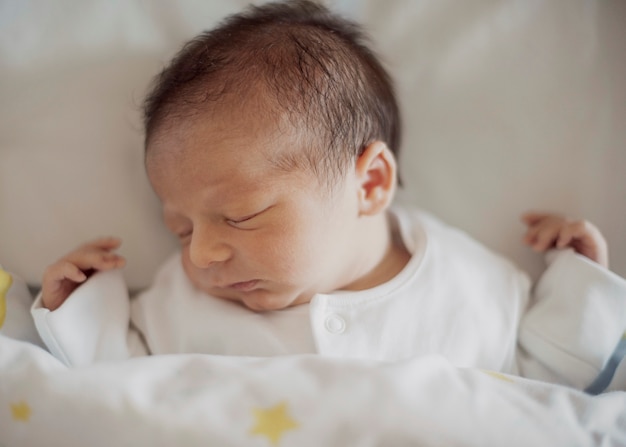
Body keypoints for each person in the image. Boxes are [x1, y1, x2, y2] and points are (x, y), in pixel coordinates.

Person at [32, 0, 626, 389]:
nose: (200, 255)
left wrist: (579, 287)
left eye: (241, 215)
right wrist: (80, 310)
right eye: (181, 229)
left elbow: (548, 391)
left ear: (369, 184)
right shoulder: (184, 302)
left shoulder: (469, 284)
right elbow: (116, 384)